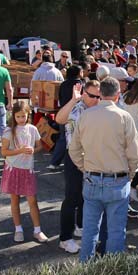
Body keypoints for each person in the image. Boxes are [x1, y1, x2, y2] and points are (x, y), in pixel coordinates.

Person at [68, 77, 138, 261]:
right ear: (117, 95)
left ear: (100, 94)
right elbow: (135, 153)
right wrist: (130, 174)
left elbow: (74, 149)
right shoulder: (124, 117)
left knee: (90, 231)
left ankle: (85, 271)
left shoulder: (86, 115)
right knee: (116, 232)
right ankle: (111, 273)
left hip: (92, 179)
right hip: (117, 180)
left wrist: (84, 168)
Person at [54, 77, 99, 253]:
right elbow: (59, 119)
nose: (96, 100)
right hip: (73, 157)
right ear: (84, 93)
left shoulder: (98, 110)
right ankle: (65, 238)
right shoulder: (76, 107)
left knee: (86, 195)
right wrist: (74, 99)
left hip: (91, 158)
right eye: (92, 96)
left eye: (98, 96)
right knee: (72, 197)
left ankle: (80, 226)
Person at [0, 101, 50, 243]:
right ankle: (18, 229)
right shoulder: (9, 131)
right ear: (13, 116)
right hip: (13, 169)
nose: (21, 119)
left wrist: (34, 150)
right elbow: (4, 152)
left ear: (28, 115)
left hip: (28, 170)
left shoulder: (32, 129)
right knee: (14, 200)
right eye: (18, 116)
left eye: (24, 116)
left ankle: (37, 230)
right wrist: (20, 150)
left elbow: (40, 146)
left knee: (32, 200)